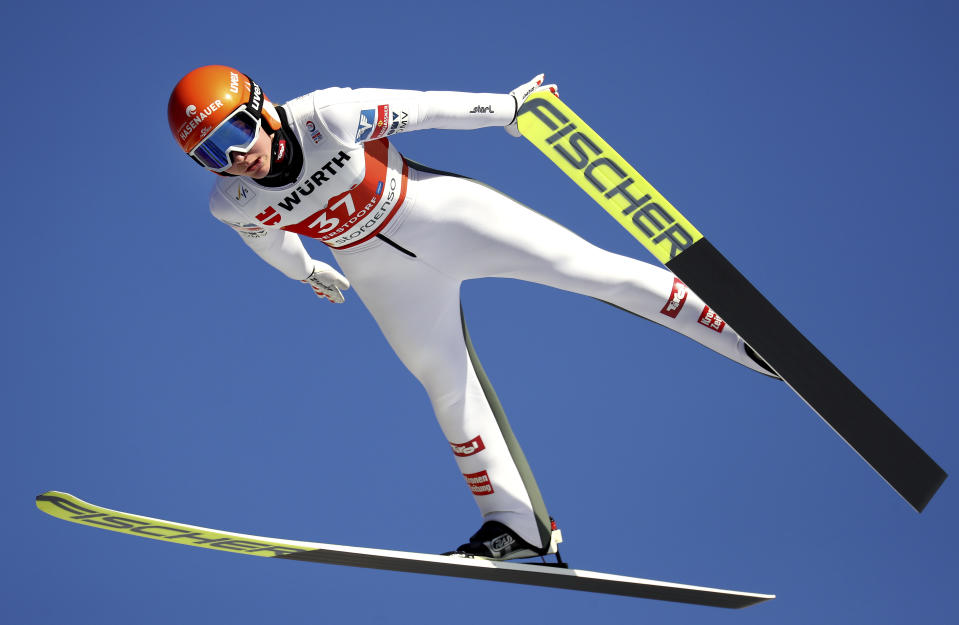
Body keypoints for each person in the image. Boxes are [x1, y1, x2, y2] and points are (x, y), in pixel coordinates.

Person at [167, 65, 778, 561]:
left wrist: (510, 109)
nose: (234, 158)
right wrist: (308, 271)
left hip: (445, 216)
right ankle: (515, 524)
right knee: (444, 386)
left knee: (592, 270)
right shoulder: (233, 200)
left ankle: (744, 337)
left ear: (263, 108)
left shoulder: (327, 114)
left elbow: (427, 108)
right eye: (211, 154)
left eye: (236, 135)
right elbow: (268, 240)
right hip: (381, 274)